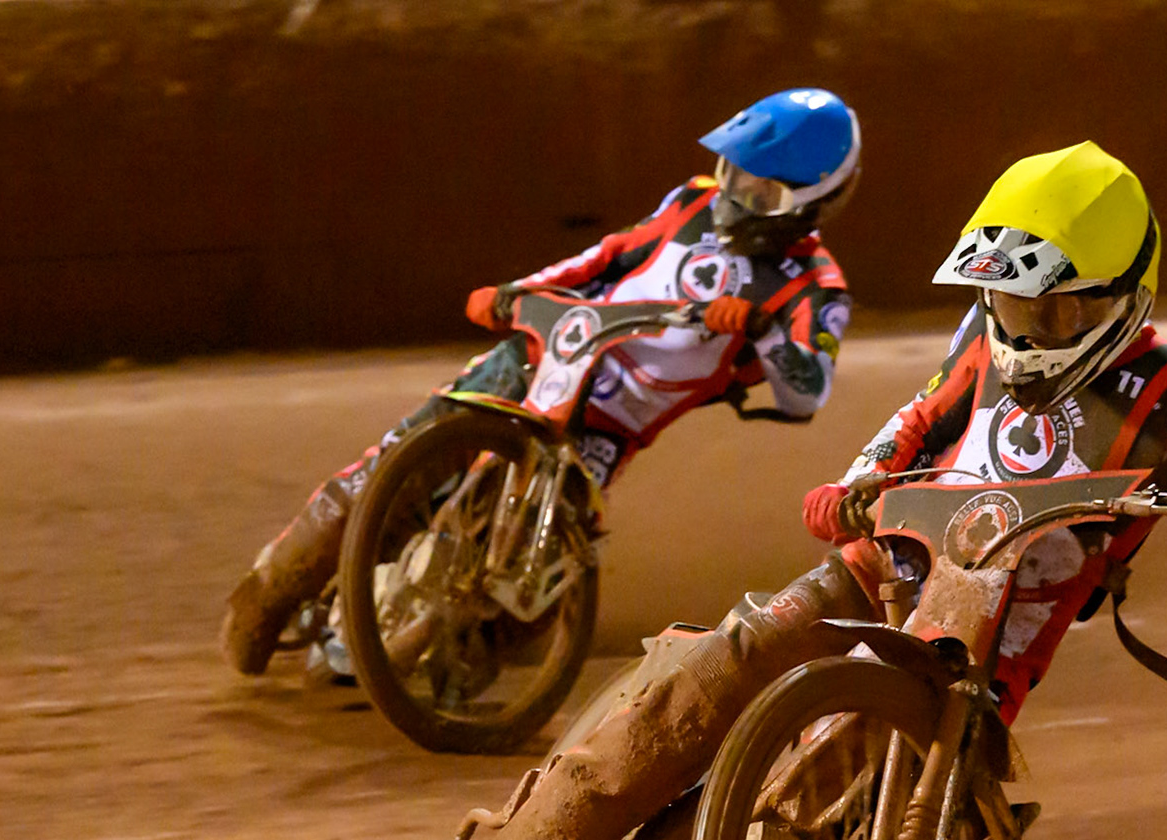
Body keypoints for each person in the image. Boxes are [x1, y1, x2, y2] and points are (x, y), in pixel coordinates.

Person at [425, 140, 1167, 840]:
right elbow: (909, 424)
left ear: (1121, 299)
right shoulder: (982, 349)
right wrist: (853, 489)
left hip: (968, 665)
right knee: (692, 694)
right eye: (1009, 306)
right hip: (870, 578)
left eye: (1055, 312)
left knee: (805, 821)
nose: (1025, 329)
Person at [219, 88, 864, 678]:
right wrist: (515, 294)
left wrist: (763, 331)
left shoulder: (815, 286)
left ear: (812, 202)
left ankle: (414, 637)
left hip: (607, 429)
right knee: (382, 477)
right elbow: (606, 257)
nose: (736, 197)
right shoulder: (691, 200)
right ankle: (268, 591)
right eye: (734, 175)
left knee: (529, 608)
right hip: (541, 357)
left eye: (761, 192)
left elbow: (806, 391)